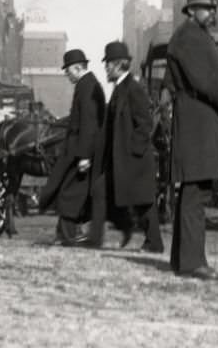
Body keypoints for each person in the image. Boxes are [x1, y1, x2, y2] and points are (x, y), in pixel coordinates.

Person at [165, 0, 218, 280]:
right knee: (196, 194)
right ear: (191, 9)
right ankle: (193, 262)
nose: (211, 12)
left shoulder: (191, 35)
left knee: (192, 192)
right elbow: (207, 83)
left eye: (212, 7)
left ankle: (183, 259)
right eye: (206, 7)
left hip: (197, 118)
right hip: (199, 119)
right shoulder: (191, 38)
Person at [91, 41, 163, 253]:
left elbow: (146, 123)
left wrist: (133, 151)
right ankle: (103, 235)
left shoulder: (133, 89)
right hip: (122, 159)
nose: (105, 68)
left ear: (118, 65)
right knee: (104, 191)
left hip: (134, 159)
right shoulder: (120, 88)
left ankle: (153, 242)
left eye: (108, 64)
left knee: (144, 201)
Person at [38, 48, 106, 245]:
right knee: (68, 191)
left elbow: (89, 123)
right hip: (78, 149)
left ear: (78, 68)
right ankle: (65, 234)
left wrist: (85, 156)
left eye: (68, 70)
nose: (66, 74)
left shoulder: (86, 86)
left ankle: (68, 236)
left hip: (79, 151)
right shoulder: (87, 84)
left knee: (68, 193)